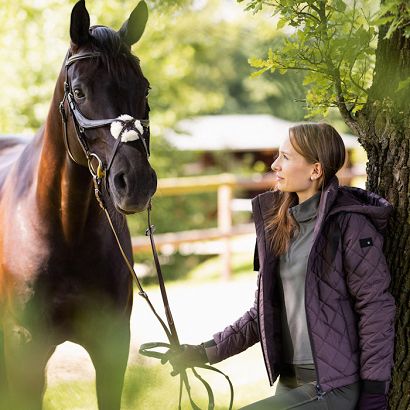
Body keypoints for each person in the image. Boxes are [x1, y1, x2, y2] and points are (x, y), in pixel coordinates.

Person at [165, 123, 395, 410]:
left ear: (315, 170)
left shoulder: (350, 224)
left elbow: (375, 308)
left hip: (334, 385)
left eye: (286, 157)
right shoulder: (282, 226)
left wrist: (374, 392)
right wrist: (203, 352)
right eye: (278, 155)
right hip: (290, 381)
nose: (275, 165)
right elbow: (262, 311)